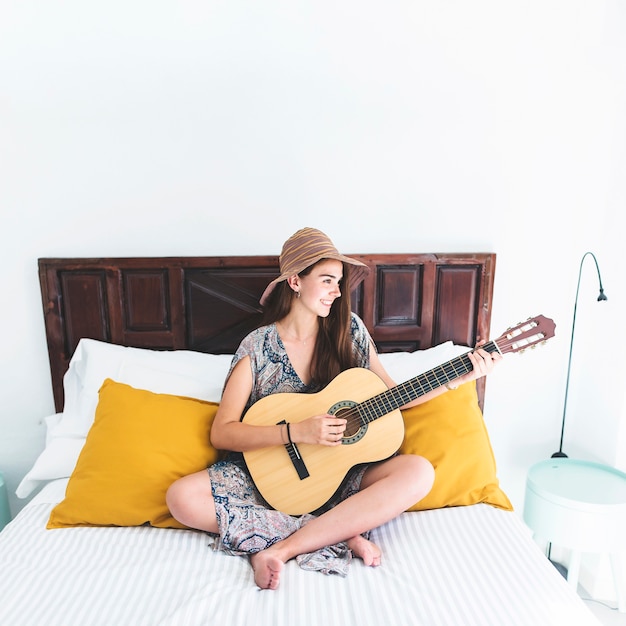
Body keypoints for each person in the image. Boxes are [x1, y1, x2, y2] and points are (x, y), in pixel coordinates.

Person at [166, 227, 501, 590]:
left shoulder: (349, 331)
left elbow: (393, 395)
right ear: (295, 281)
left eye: (339, 282)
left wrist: (459, 376)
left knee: (418, 472)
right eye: (327, 280)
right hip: (267, 475)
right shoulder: (258, 346)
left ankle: (283, 547)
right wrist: (296, 431)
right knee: (180, 498)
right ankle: (338, 532)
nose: (337, 292)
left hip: (338, 478)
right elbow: (223, 431)